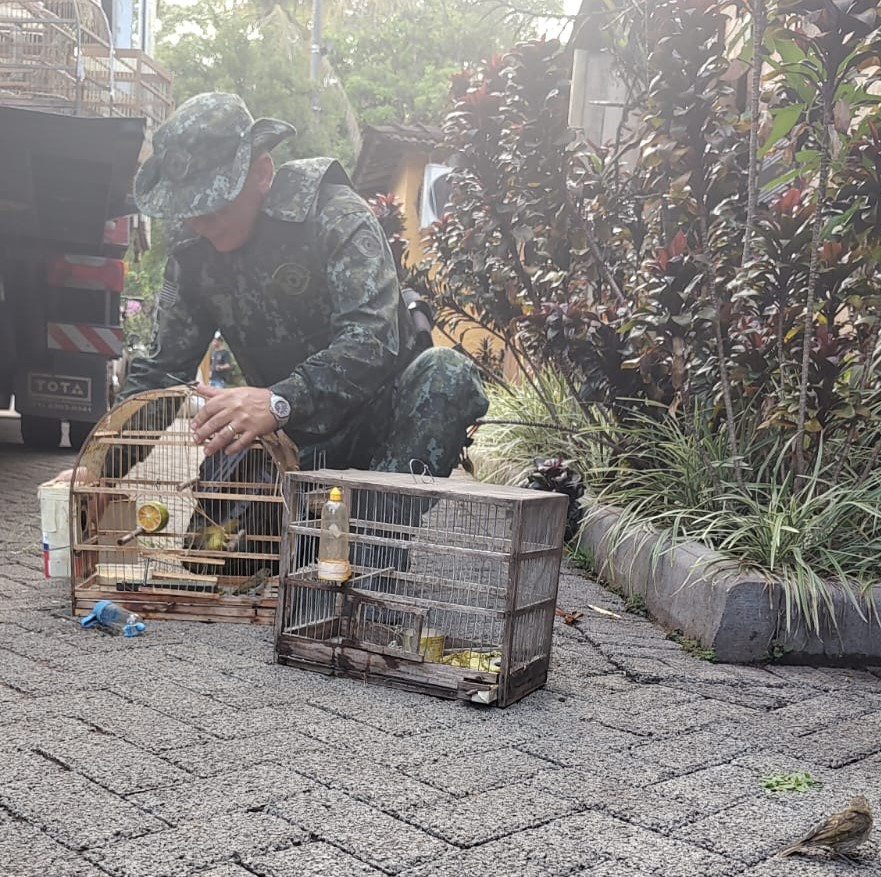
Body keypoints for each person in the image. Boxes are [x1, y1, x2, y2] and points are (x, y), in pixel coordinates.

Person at [117, 91, 488, 478]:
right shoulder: (194, 254)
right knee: (213, 535)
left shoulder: (334, 215)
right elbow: (161, 372)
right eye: (187, 209)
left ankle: (372, 536)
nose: (197, 222)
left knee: (448, 371)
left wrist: (280, 400)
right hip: (286, 438)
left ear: (261, 173)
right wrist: (100, 469)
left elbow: (369, 341)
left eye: (212, 204)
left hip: (378, 424)